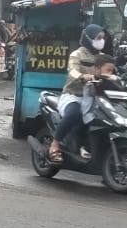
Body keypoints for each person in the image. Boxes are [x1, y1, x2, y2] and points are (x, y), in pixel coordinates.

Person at [46, 24, 109, 164]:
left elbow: (111, 70)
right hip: (73, 96)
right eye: (98, 37)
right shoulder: (77, 54)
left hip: (93, 98)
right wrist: (83, 76)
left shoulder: (103, 57)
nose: (101, 41)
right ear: (88, 38)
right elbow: (72, 71)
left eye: (103, 38)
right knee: (74, 114)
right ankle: (55, 144)